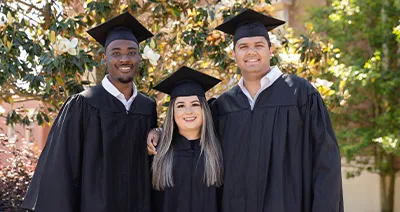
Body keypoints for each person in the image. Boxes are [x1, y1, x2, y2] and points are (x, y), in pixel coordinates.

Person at [148, 9, 343, 212]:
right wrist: (160, 132)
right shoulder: (224, 105)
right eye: (243, 46)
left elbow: (326, 160)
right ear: (234, 54)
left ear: (271, 50)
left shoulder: (300, 94)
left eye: (259, 45)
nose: (251, 52)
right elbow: (191, 130)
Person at [22, 12, 157, 212]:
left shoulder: (147, 107)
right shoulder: (83, 104)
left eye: (131, 52)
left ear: (139, 57)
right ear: (104, 58)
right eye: (116, 53)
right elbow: (62, 169)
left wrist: (160, 132)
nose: (125, 59)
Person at [150, 66, 223, 212]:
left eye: (195, 104)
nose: (188, 111)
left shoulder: (219, 151)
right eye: (181, 105)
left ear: (205, 109)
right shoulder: (157, 153)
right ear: (172, 112)